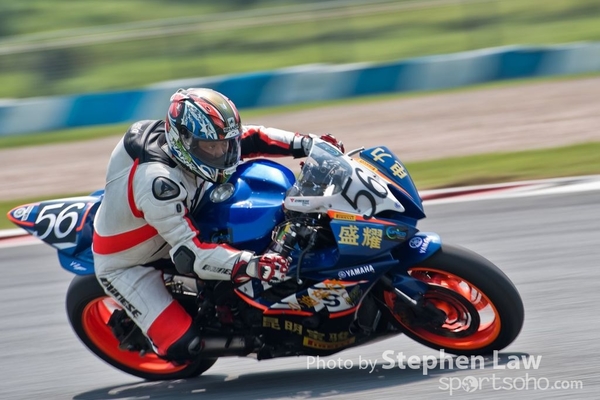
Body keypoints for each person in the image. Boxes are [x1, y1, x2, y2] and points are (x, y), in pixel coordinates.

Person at [92, 87, 344, 363]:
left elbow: (251, 136)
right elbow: (191, 254)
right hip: (130, 261)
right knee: (183, 347)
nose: (222, 152)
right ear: (184, 141)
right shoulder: (159, 184)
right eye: (211, 147)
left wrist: (308, 144)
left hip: (182, 209)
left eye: (225, 144)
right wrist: (254, 265)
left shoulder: (198, 141)